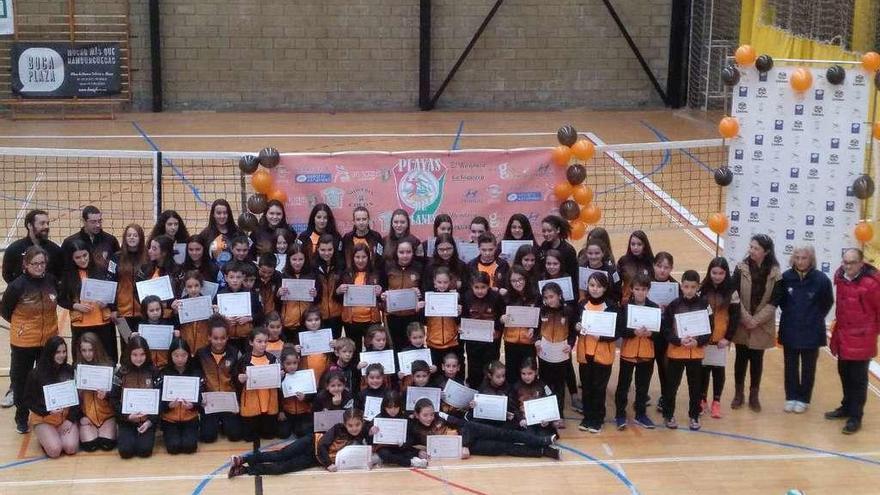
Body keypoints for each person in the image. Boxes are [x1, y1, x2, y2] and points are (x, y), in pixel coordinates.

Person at [1, 246, 59, 433]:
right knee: (21, 381)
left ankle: (46, 414)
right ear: (26, 265)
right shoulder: (17, 286)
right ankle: (21, 417)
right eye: (35, 263)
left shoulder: (50, 280)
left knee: (46, 378)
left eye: (42, 263)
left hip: (48, 341)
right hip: (24, 342)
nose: (39, 267)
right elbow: (5, 311)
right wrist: (23, 327)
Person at [771, 245, 833, 415]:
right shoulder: (786, 278)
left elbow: (827, 302)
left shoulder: (821, 279)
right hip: (790, 329)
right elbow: (781, 302)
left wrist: (813, 317)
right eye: (797, 257)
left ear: (811, 259)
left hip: (812, 331)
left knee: (808, 367)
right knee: (790, 366)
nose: (800, 261)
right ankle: (791, 397)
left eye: (804, 258)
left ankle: (804, 399)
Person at [827, 248, 880, 434]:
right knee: (844, 373)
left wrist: (870, 332)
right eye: (844, 262)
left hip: (862, 339)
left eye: (851, 263)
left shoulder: (872, 284)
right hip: (842, 336)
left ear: (861, 263)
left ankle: (856, 417)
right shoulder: (840, 278)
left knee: (858, 379)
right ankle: (846, 406)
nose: (846, 266)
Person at [730, 234, 781, 412]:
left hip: (761, 324)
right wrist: (746, 318)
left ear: (766, 252)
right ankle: (738, 394)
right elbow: (734, 293)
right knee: (740, 359)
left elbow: (775, 300)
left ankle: (754, 396)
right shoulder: (740, 268)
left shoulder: (775, 272)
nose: (751, 250)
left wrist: (756, 320)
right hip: (743, 323)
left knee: (757, 361)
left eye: (756, 248)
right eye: (751, 247)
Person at [662, 270, 710, 431]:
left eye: (693, 287)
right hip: (676, 352)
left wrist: (698, 342)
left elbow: (710, 329)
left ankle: (694, 416)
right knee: (672, 386)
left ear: (698, 287)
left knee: (695, 387)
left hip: (695, 354)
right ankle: (668, 415)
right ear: (681, 286)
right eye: (686, 286)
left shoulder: (704, 305)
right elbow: (666, 329)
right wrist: (678, 341)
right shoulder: (674, 305)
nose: (689, 290)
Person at [57, 239, 116, 362]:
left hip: (102, 323)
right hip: (80, 325)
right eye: (78, 257)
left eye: (85, 255)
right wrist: (75, 306)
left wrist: (107, 302)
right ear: (72, 258)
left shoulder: (101, 270)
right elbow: (61, 299)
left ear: (89, 253)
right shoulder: (68, 275)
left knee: (106, 357)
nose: (83, 260)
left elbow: (113, 292)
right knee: (81, 359)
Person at [575, 272, 618, 433]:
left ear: (605, 288)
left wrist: (604, 336)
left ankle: (598, 418)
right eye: (592, 285)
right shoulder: (582, 304)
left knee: (599, 388)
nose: (595, 289)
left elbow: (617, 331)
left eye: (599, 286)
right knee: (586, 387)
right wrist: (577, 327)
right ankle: (587, 417)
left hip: (603, 354)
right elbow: (576, 324)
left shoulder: (611, 306)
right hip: (585, 353)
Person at [614, 273, 658, 429]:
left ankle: (641, 414)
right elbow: (619, 330)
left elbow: (659, 333)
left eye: (644, 289)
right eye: (637, 289)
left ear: (648, 290)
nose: (640, 292)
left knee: (642, 386)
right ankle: (620, 414)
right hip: (628, 353)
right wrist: (634, 332)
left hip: (647, 354)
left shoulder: (654, 308)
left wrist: (651, 334)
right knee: (623, 386)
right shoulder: (625, 308)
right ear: (631, 289)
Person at [23, 336, 79, 458]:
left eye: (64, 352)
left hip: (65, 418)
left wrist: (70, 420)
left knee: (71, 448)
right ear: (50, 352)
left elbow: (76, 399)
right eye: (58, 352)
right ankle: (44, 436)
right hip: (44, 419)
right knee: (54, 451)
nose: (62, 355)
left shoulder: (69, 370)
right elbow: (28, 400)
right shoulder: (35, 374)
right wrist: (47, 410)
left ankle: (55, 435)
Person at [699, 257, 740, 419]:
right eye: (714, 273)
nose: (717, 276)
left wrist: (728, 338)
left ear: (726, 273)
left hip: (721, 340)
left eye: (721, 273)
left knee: (718, 371)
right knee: (703, 371)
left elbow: (735, 317)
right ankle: (702, 400)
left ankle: (716, 402)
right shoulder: (702, 290)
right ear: (709, 272)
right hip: (704, 340)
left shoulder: (732, 292)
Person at [197, 315, 244, 443]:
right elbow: (197, 379)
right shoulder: (201, 354)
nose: (219, 341)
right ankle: (214, 422)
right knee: (208, 438)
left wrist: (238, 400)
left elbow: (238, 377)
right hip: (209, 402)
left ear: (227, 337)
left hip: (229, 401)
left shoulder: (235, 353)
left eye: (223, 338)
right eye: (215, 338)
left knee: (235, 436)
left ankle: (224, 423)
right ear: (209, 337)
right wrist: (200, 399)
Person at [112, 335, 159, 459]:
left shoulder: (154, 372)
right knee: (125, 452)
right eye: (135, 355)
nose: (139, 358)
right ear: (129, 354)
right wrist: (127, 417)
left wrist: (150, 422)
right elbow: (114, 399)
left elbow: (160, 400)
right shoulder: (121, 373)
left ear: (147, 354)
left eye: (142, 354)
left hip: (147, 420)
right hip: (126, 420)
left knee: (144, 451)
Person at [74, 332, 117, 451]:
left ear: (97, 349)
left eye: (91, 350)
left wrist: (107, 395)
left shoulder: (110, 367)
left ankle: (111, 427)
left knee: (107, 444)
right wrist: (80, 417)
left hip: (107, 416)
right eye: (84, 350)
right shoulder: (77, 368)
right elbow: (74, 399)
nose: (87, 354)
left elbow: (118, 395)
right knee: (90, 446)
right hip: (87, 417)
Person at [338, 244, 383, 354]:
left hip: (371, 321)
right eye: (357, 257)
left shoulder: (376, 273)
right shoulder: (346, 274)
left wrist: (380, 291)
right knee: (354, 351)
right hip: (351, 322)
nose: (360, 260)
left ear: (369, 257)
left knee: (373, 351)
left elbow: (383, 295)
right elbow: (337, 297)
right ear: (352, 258)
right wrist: (338, 290)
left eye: (364, 257)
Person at [159, 338, 202, 454]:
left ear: (189, 355)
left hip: (190, 418)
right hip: (169, 419)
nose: (180, 359)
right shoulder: (163, 373)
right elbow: (158, 402)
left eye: (183, 355)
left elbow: (200, 399)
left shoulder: (195, 373)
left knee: (190, 447)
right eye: (176, 355)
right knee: (173, 448)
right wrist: (168, 405)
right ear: (170, 356)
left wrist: (192, 406)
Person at [461, 272, 504, 388]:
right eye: (476, 287)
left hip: (491, 341)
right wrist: (461, 328)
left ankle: (491, 392)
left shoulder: (496, 297)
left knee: (490, 366)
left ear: (488, 285)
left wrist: (498, 330)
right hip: (473, 342)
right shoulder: (467, 297)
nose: (480, 291)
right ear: (471, 286)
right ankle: (474, 390)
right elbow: (463, 316)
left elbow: (501, 317)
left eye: (483, 287)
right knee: (474, 368)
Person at [109, 224, 148, 351]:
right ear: (125, 238)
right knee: (126, 346)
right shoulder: (115, 257)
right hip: (122, 313)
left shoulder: (147, 258)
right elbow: (111, 283)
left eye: (135, 235)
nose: (132, 238)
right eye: (129, 235)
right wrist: (113, 308)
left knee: (141, 346)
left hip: (143, 312)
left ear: (141, 238)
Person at [381, 236, 423, 350]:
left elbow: (424, 291)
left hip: (413, 316)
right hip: (393, 316)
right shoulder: (388, 267)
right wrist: (383, 295)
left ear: (413, 253)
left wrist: (420, 294)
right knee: (395, 347)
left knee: (413, 346)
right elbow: (382, 288)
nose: (405, 255)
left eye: (408, 252)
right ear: (396, 253)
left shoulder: (419, 267)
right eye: (401, 252)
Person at [2, 209, 63, 284]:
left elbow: (60, 274)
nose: (46, 226)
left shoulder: (55, 249)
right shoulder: (14, 249)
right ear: (29, 225)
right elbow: (7, 274)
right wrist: (19, 289)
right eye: (42, 223)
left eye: (47, 223)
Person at [61, 205, 120, 272]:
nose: (98, 225)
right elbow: (63, 267)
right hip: (79, 281)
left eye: (99, 221)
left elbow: (117, 263)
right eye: (93, 222)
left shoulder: (111, 240)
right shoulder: (70, 242)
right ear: (83, 221)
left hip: (105, 281)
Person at [314, 234, 344, 339]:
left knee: (335, 345)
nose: (326, 253)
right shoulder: (312, 266)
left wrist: (339, 291)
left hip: (337, 314)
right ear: (317, 249)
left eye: (330, 249)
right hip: (319, 316)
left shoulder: (340, 265)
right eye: (323, 250)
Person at [539, 215, 579, 291]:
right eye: (544, 231)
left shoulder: (568, 250)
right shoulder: (544, 245)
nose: (546, 234)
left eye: (549, 231)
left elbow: (573, 275)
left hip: (564, 287)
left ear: (558, 230)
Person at [199, 199, 239, 269]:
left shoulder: (237, 231)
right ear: (213, 214)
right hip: (212, 276)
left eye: (225, 213)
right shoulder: (205, 234)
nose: (222, 216)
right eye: (219, 213)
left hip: (235, 276)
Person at [617, 230, 654, 304]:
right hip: (626, 303)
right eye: (633, 244)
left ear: (644, 245)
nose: (635, 247)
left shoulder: (651, 262)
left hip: (646, 303)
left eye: (639, 244)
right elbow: (616, 284)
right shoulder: (623, 261)